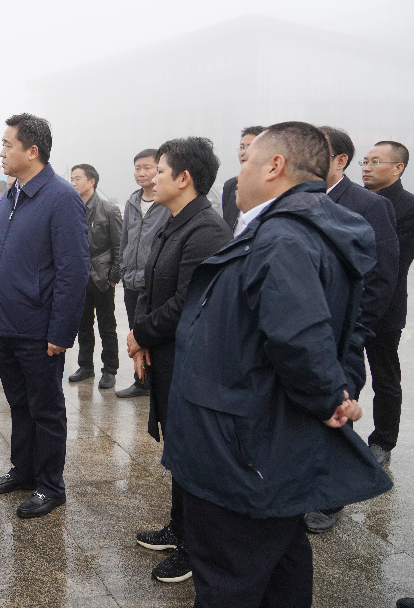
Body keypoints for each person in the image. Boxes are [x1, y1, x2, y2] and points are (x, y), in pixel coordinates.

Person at [162, 122, 392, 607]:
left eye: (246, 161)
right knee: (281, 564)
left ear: (275, 166)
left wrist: (330, 396)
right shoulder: (297, 228)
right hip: (263, 443)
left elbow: (300, 336)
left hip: (242, 451)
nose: (237, 173)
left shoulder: (282, 237)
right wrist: (337, 391)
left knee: (231, 576)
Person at [128, 137, 231, 583]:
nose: (154, 177)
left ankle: (196, 547)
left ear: (184, 179)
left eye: (162, 171)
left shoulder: (205, 229)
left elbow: (190, 301)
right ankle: (179, 525)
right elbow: (152, 288)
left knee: (191, 452)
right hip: (166, 353)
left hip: (191, 360)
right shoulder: (175, 221)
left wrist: (139, 334)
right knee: (177, 445)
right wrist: (141, 336)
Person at [0, 113, 89, 518]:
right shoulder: (12, 195)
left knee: (45, 408)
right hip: (9, 324)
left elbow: (73, 270)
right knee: (19, 403)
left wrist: (61, 331)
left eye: (8, 144)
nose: (2, 151)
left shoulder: (61, 198)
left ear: (32, 151)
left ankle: (50, 485)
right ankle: (23, 470)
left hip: (39, 327)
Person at [303, 127, 399, 534]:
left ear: (339, 161)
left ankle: (331, 498)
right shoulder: (300, 198)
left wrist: (354, 332)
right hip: (304, 326)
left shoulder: (368, 205)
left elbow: (381, 276)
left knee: (341, 407)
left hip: (343, 331)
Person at [360, 140, 414, 467]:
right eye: (364, 161)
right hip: (348, 303)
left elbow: (395, 261)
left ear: (398, 168)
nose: (366, 167)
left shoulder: (408, 207)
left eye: (375, 161)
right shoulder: (355, 201)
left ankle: (383, 441)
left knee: (384, 376)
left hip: (386, 307)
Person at [115, 150, 170, 398]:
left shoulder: (166, 203)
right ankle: (142, 380)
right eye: (137, 168)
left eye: (147, 167)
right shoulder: (131, 202)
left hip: (154, 281)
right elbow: (124, 239)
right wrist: (123, 269)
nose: (141, 173)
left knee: (155, 332)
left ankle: (159, 382)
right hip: (131, 281)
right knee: (134, 331)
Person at [67, 163, 123, 389]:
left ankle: (109, 369)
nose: (73, 183)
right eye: (72, 178)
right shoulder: (70, 208)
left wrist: (113, 276)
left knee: (107, 326)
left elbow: (119, 246)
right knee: (83, 325)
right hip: (79, 276)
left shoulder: (109, 210)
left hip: (102, 276)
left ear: (92, 182)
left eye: (78, 178)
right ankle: (85, 366)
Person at [220, 126, 265, 231]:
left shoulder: (270, 186)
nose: (243, 152)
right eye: (241, 147)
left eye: (249, 147)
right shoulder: (230, 186)